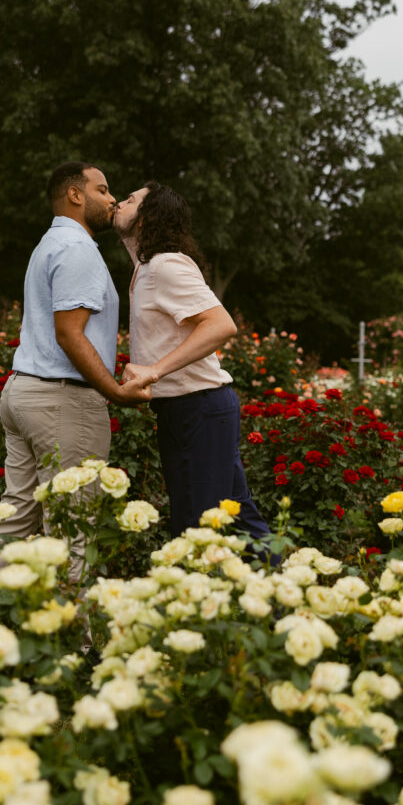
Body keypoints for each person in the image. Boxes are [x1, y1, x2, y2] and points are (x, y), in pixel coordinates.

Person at [0, 162, 151, 574]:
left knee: (16, 516)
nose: (112, 199)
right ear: (76, 195)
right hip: (62, 401)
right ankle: (72, 638)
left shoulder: (50, 244)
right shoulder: (78, 250)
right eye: (103, 190)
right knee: (73, 528)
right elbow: (69, 334)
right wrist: (114, 390)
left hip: (26, 392)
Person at [113, 181, 276, 557]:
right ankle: (288, 598)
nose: (120, 201)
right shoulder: (146, 267)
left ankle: (197, 611)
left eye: (131, 199)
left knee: (195, 529)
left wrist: (154, 370)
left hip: (197, 410)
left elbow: (221, 325)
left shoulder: (165, 265)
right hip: (195, 410)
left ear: (146, 218)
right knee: (238, 519)